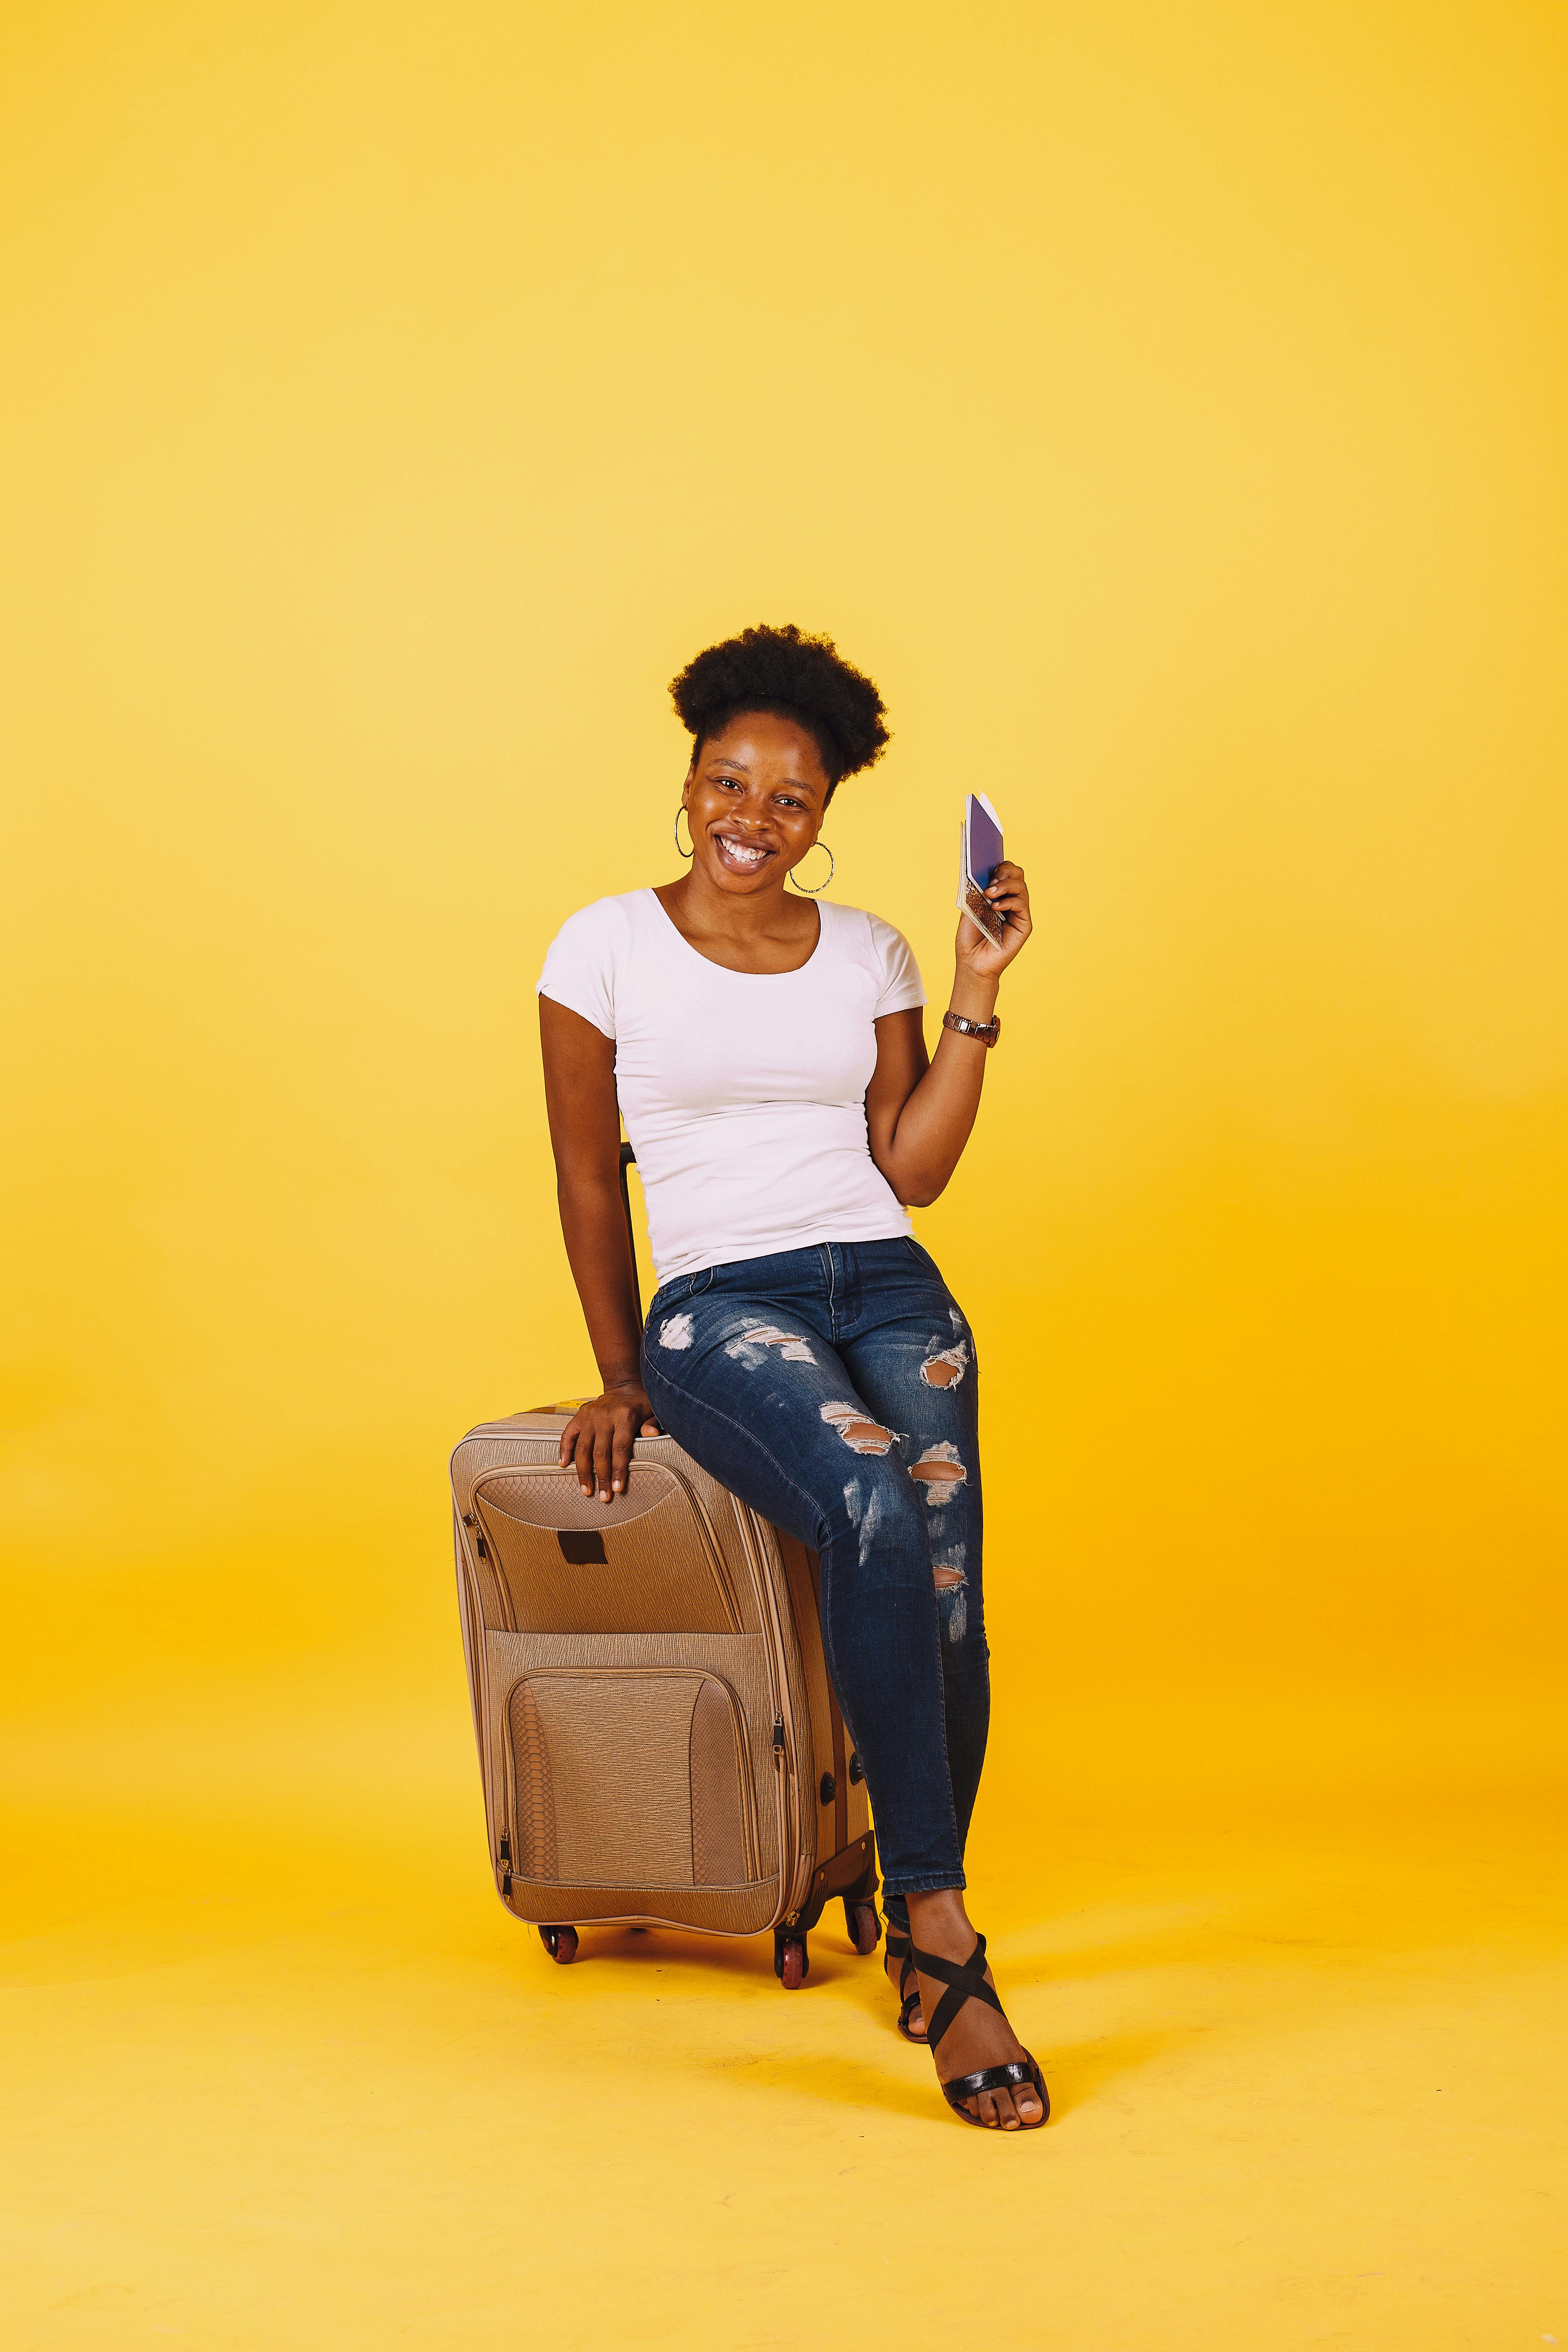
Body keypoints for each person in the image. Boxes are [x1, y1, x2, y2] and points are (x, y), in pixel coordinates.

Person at [536, 624, 1044, 2130]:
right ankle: (942, 1932)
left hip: (886, 1277)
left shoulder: (876, 948)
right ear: (688, 787)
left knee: (945, 1580)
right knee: (874, 1502)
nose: (754, 819)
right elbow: (582, 1179)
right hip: (720, 1299)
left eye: (792, 798)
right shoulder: (601, 946)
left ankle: (903, 1896)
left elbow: (917, 1169)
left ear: (826, 813)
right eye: (728, 784)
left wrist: (974, 985)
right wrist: (620, 1372)